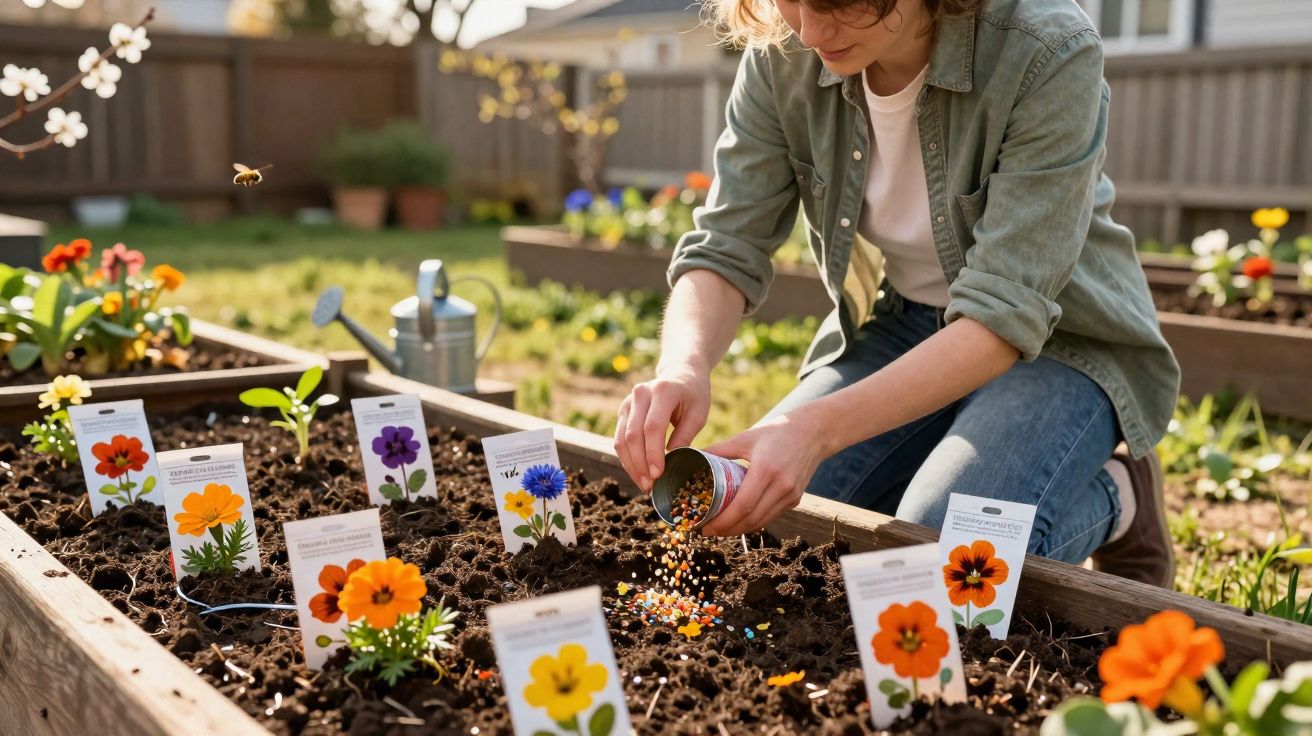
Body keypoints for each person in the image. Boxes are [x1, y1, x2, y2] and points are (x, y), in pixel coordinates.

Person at [612, 0, 1182, 587]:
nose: (810, 31)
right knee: (774, 528)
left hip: (1061, 346)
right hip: (904, 326)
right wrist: (684, 366)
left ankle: (1121, 499)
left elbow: (1004, 315)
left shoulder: (1045, 49)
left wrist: (815, 429)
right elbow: (727, 243)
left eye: (836, 2)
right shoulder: (783, 53)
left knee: (947, 563)